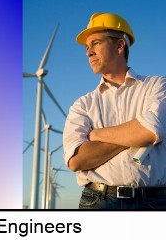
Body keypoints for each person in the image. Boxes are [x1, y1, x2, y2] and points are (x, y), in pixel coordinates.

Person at [63, 12, 166, 209]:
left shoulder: (158, 86)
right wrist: (133, 135)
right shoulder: (82, 105)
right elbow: (76, 160)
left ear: (119, 46)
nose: (88, 52)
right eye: (87, 47)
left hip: (155, 202)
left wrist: (96, 135)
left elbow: (150, 130)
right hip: (98, 201)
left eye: (95, 43)